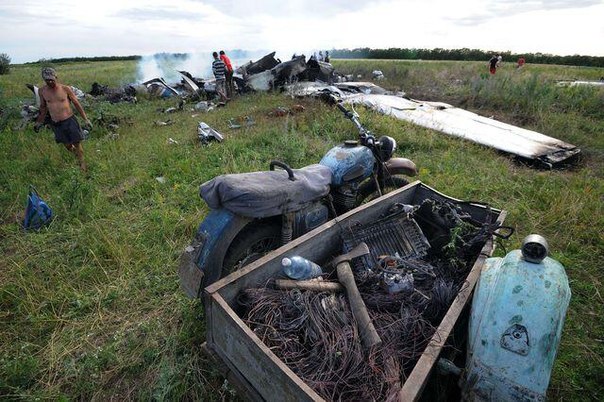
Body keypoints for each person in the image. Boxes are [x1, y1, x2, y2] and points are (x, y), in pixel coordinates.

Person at [34, 67, 91, 172]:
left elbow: (76, 104)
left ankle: (83, 166)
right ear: (44, 80)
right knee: (68, 146)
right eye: (47, 80)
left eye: (52, 79)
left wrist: (86, 119)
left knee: (77, 143)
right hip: (56, 123)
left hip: (70, 121)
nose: (50, 82)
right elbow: (43, 107)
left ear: (56, 77)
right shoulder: (42, 91)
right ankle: (77, 157)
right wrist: (39, 122)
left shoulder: (65, 89)